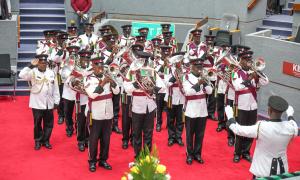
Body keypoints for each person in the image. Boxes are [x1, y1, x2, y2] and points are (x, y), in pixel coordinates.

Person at [225, 95, 299, 178]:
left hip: (263, 171)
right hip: (282, 171)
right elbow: (293, 123)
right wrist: (290, 115)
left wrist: (230, 116)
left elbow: (238, 129)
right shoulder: (291, 127)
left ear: (269, 110)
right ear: (282, 112)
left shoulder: (262, 127)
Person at [123, 51, 166, 159]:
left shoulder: (152, 71)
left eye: (145, 61)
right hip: (137, 106)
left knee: (148, 133)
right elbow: (127, 89)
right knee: (136, 133)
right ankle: (137, 156)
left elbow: (163, 87)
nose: (143, 64)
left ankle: (147, 157)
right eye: (141, 61)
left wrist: (153, 88)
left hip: (150, 106)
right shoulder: (132, 72)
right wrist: (135, 83)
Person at [231, 51, 269, 163]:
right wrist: (249, 78)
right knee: (240, 130)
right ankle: (237, 153)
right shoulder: (236, 72)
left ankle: (246, 152)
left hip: (253, 106)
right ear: (241, 60)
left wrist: (259, 72)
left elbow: (266, 82)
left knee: (252, 130)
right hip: (242, 106)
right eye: (246, 60)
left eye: (250, 60)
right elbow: (237, 87)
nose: (249, 62)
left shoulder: (254, 72)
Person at [84, 56, 120, 172]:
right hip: (95, 113)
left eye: (101, 66)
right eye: (98, 66)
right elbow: (92, 95)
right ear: (93, 66)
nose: (100, 68)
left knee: (106, 139)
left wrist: (112, 82)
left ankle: (103, 160)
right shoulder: (88, 79)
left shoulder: (108, 76)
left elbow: (117, 91)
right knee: (93, 139)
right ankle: (92, 161)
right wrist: (103, 82)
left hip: (108, 113)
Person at [19, 54, 60, 150]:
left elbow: (56, 88)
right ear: (38, 64)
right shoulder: (32, 72)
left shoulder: (51, 73)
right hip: (37, 103)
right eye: (41, 63)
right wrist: (30, 65)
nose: (43, 65)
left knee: (49, 124)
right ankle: (38, 141)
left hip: (49, 103)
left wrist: (57, 100)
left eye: (45, 63)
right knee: (37, 123)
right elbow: (21, 75)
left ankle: (46, 140)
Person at [182, 57, 213, 165]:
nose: (199, 69)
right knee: (190, 134)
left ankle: (197, 154)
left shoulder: (204, 78)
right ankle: (189, 154)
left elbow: (210, 91)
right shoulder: (186, 77)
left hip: (202, 110)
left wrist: (204, 83)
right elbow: (188, 92)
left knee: (200, 134)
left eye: (201, 67)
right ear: (192, 67)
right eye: (197, 67)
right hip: (191, 110)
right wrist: (199, 83)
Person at [164, 52, 185, 146]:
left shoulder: (185, 70)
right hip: (171, 98)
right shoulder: (168, 69)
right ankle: (171, 137)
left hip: (182, 98)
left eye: (180, 60)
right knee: (170, 119)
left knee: (181, 119)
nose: (179, 62)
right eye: (177, 61)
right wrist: (175, 76)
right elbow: (166, 83)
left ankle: (179, 137)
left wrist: (182, 75)